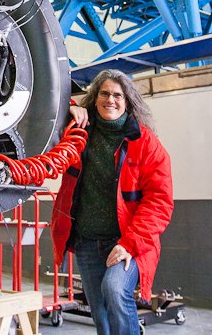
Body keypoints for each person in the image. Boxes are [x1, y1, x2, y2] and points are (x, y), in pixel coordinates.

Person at [50, 69, 174, 335]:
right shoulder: (79, 134)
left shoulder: (147, 144)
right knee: (100, 314)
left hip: (126, 243)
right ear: (94, 98)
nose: (111, 100)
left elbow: (159, 202)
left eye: (118, 95)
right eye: (104, 94)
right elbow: (49, 110)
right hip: (86, 240)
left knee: (115, 289)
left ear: (127, 101)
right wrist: (70, 108)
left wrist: (129, 244)